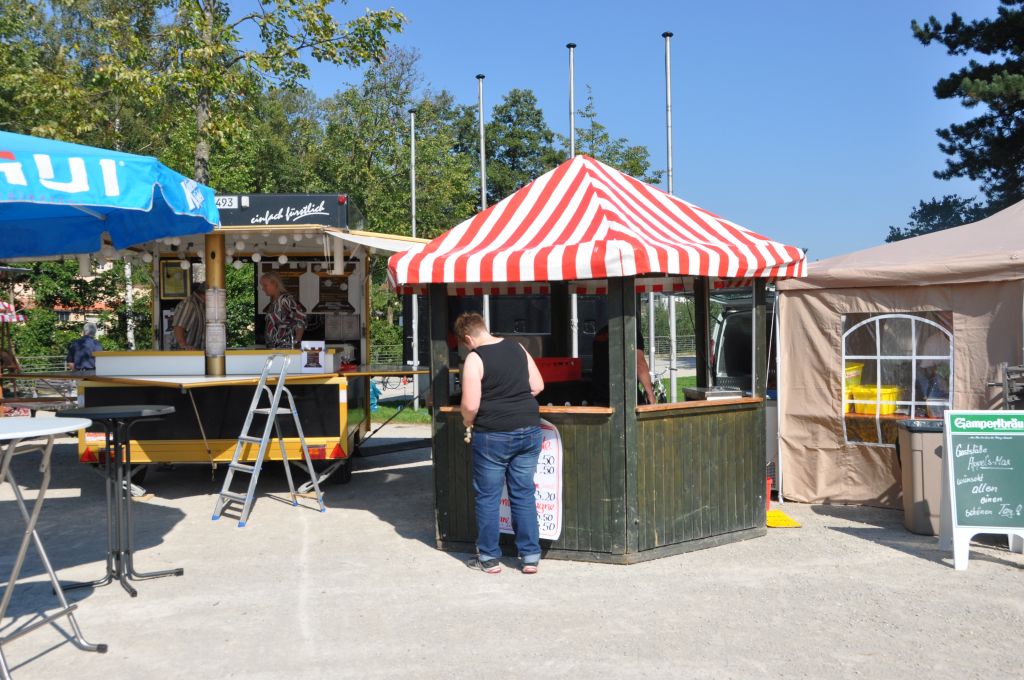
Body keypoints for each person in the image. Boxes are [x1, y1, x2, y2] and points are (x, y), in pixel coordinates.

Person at [457, 312, 545, 574]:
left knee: (488, 497)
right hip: (529, 428)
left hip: (492, 434)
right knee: (523, 493)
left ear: (468, 338)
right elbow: (538, 385)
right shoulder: (518, 347)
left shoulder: (475, 358)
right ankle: (530, 556)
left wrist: (467, 420)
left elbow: (470, 405)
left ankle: (488, 558)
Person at [590, 324, 656, 406]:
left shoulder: (601, 333)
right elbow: (639, 364)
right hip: (625, 397)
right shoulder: (631, 332)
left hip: (600, 397)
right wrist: (650, 394)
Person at [261, 273, 306, 348]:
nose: (263, 288)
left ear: (274, 284)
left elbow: (301, 320)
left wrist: (297, 342)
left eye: (265, 285)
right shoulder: (274, 302)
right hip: (274, 347)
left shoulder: (285, 300)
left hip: (285, 347)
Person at [172, 282, 206, 350]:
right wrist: (184, 346)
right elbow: (179, 327)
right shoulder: (189, 304)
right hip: (184, 354)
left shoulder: (201, 305)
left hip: (195, 353)